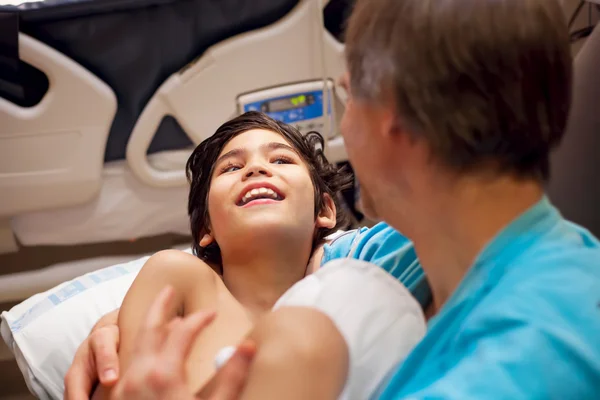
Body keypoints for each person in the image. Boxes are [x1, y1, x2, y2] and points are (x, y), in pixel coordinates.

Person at [66, 0, 600, 398]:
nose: (257, 168)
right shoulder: (396, 254)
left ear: (394, 120)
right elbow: (270, 270)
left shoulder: (534, 354)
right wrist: (114, 327)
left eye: (347, 98)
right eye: (233, 166)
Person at [87, 111, 428, 400]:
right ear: (207, 227)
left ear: (323, 210)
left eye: (281, 160)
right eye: (231, 168)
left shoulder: (350, 285)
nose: (255, 169)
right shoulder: (181, 278)